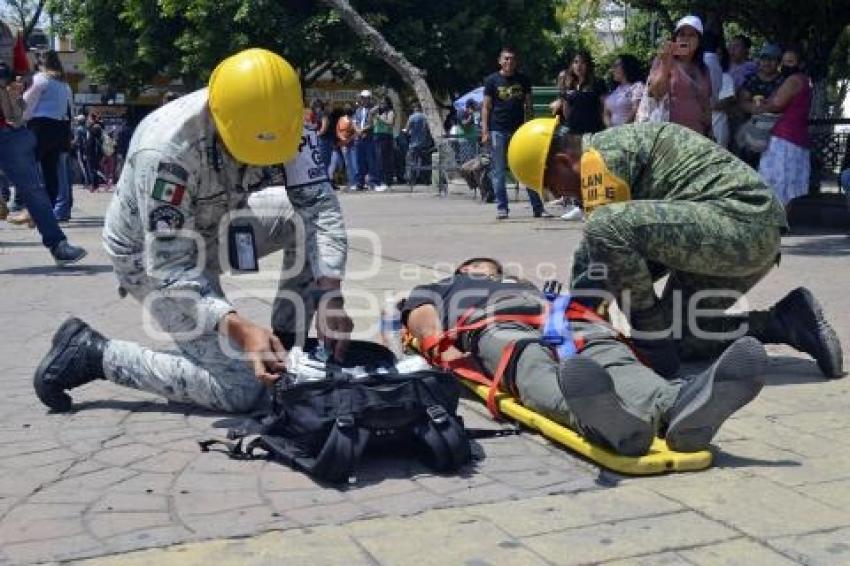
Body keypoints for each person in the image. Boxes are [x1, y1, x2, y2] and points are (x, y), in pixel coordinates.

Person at [32, 48, 353, 414]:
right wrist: (237, 328)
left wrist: (330, 294)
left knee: (298, 218)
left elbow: (318, 207)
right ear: (220, 120)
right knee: (240, 389)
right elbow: (170, 267)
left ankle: (286, 346)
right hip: (149, 255)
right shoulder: (167, 151)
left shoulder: (287, 119)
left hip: (219, 222)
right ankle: (93, 354)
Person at [506, 117, 843, 380]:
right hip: (737, 239)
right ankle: (787, 321)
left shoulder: (601, 160)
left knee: (604, 228)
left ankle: (651, 341)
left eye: (553, 188)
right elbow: (595, 263)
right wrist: (575, 321)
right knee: (681, 340)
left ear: (565, 162)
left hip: (740, 226)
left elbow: (605, 246)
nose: (563, 197)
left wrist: (589, 324)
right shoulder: (607, 156)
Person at [402, 257, 768, 456]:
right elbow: (420, 317)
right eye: (481, 267)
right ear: (464, 270)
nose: (489, 271)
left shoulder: (526, 284)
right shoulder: (446, 285)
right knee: (527, 359)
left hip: (564, 317)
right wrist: (440, 348)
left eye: (494, 269)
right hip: (490, 322)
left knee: (607, 352)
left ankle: (676, 405)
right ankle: (595, 416)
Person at [0, 62, 87, 265]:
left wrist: (19, 83)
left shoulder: (9, 32)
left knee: (34, 189)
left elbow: (23, 72)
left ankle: (59, 246)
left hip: (10, 128)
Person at [481, 46, 547, 220]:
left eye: (512, 59)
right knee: (499, 171)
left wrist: (530, 127)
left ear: (516, 61)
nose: (509, 62)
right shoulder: (491, 81)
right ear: (500, 61)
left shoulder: (523, 80)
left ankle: (538, 208)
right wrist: (485, 131)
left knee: (526, 168)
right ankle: (502, 208)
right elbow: (486, 107)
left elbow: (529, 106)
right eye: (506, 59)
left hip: (520, 132)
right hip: (498, 130)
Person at [20, 50, 74, 221]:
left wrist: (19, 119)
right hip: (59, 128)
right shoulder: (64, 84)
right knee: (50, 171)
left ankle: (31, 209)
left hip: (40, 127)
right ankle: (47, 210)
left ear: (41, 63)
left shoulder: (40, 79)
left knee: (28, 168)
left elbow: (26, 103)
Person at [756, 48, 813, 208]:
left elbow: (777, 104)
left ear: (800, 64)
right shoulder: (806, 80)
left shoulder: (793, 80)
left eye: (791, 61)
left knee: (775, 183)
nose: (786, 65)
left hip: (784, 137)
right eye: (784, 61)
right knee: (788, 186)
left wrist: (762, 104)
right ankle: (782, 223)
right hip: (797, 136)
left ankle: (776, 224)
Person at [646, 15, 712, 136]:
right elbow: (656, 93)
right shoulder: (663, 61)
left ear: (699, 40)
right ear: (675, 38)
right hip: (668, 135)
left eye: (692, 35)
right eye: (682, 34)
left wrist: (710, 131)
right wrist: (666, 63)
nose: (686, 39)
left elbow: (706, 104)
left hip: (696, 135)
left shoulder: (703, 68)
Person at [736, 44, 784, 165]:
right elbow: (742, 101)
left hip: (776, 132)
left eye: (772, 59)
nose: (767, 62)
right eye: (764, 59)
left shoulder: (784, 81)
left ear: (778, 62)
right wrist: (755, 109)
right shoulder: (751, 79)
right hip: (752, 130)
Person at [551, 50, 606, 135]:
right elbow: (566, 111)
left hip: (593, 131)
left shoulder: (598, 82)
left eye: (582, 62)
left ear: (588, 65)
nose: (579, 66)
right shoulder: (569, 84)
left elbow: (604, 107)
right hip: (572, 131)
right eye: (576, 62)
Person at [604, 54, 645, 128]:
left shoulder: (637, 86)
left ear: (626, 67)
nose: (613, 69)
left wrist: (621, 129)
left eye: (616, 66)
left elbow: (635, 109)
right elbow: (606, 112)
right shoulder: (614, 90)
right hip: (611, 133)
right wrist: (609, 127)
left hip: (628, 132)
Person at [711, 46, 736, 148]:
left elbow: (722, 104)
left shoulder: (726, 78)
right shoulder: (697, 75)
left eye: (719, 54)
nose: (715, 57)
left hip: (718, 128)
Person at [353, 90, 378, 191]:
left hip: (368, 137)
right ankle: (360, 183)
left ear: (370, 99)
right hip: (359, 138)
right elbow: (354, 121)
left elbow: (372, 124)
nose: (364, 100)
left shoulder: (372, 110)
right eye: (363, 98)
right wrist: (357, 130)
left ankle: (373, 182)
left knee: (371, 161)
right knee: (360, 162)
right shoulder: (358, 110)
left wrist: (362, 130)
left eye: (367, 98)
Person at [404, 102, 432, 185]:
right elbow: (428, 129)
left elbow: (407, 129)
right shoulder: (425, 117)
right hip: (424, 144)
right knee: (426, 162)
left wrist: (407, 132)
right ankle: (426, 180)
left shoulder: (412, 117)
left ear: (414, 108)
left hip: (414, 144)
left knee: (412, 162)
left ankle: (412, 181)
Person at [373, 96, 395, 191]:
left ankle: (386, 181)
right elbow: (371, 118)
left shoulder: (390, 112)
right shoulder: (378, 113)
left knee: (384, 160)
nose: (382, 105)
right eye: (381, 103)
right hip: (377, 136)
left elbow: (390, 123)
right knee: (378, 160)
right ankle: (380, 181)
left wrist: (380, 118)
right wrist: (374, 110)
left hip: (385, 136)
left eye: (383, 103)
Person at [335, 103, 358, 190]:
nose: (347, 109)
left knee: (354, 163)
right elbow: (338, 130)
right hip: (343, 144)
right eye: (346, 108)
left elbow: (356, 132)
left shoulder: (353, 119)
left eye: (348, 108)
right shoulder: (341, 119)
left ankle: (356, 182)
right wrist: (342, 138)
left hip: (352, 144)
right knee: (348, 164)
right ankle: (351, 182)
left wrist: (349, 139)